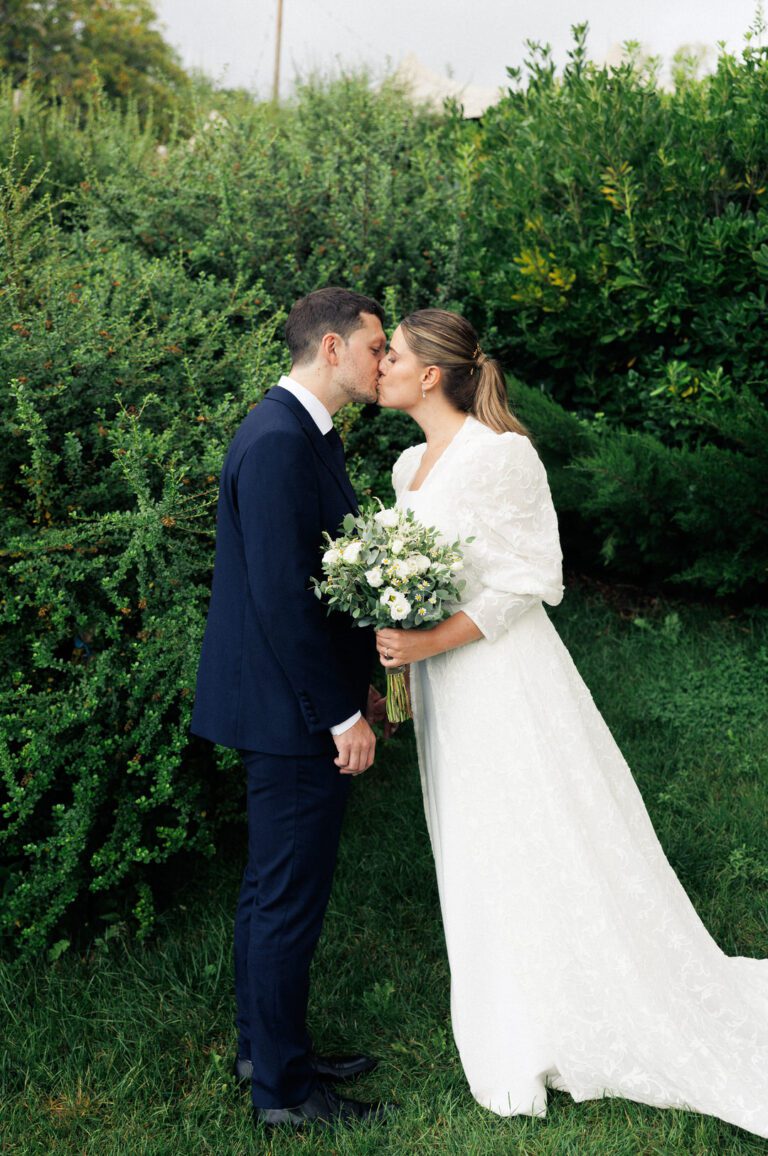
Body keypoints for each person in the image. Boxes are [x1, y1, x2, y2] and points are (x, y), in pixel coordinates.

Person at [374, 307, 768, 1139]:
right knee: (479, 840)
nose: (381, 367)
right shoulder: (409, 461)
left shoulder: (500, 455)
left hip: (503, 678)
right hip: (446, 687)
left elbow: (529, 579)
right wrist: (401, 651)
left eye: (395, 355)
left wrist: (425, 639)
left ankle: (575, 1005)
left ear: (432, 374)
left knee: (538, 829)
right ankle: (520, 998)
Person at [191, 287, 396, 1131]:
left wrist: (365, 680)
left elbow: (322, 577)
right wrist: (339, 716)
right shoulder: (278, 440)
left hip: (286, 701)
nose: (385, 361)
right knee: (285, 900)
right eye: (377, 347)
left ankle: (268, 1050)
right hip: (288, 712)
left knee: (270, 893)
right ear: (333, 348)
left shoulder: (303, 433)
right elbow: (284, 601)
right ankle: (283, 1093)